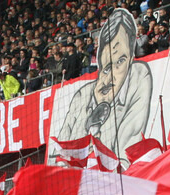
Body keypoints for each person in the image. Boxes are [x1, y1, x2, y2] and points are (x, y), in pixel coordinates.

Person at [57, 8, 153, 166]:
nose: (112, 76)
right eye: (107, 68)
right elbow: (58, 155)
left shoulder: (139, 76)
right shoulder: (82, 96)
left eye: (120, 62)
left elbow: (126, 157)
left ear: (130, 59)